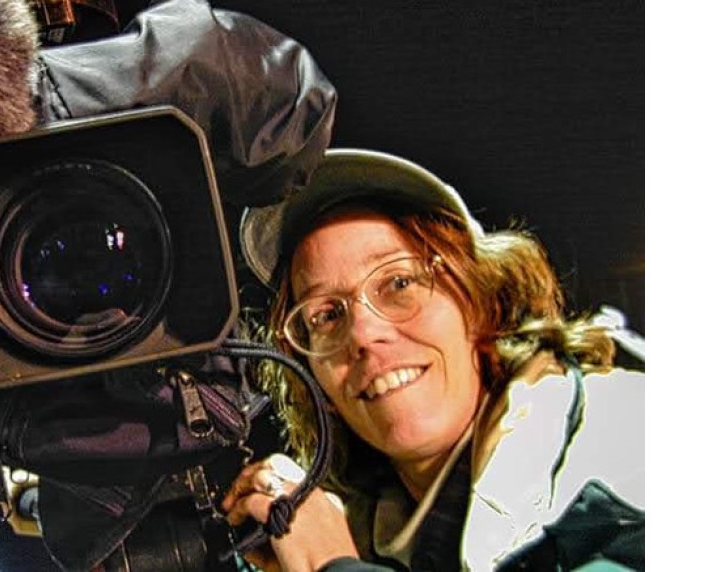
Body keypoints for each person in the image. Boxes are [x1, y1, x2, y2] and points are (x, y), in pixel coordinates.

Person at [221, 149, 644, 571]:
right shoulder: (384, 531)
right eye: (326, 315)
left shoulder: (626, 438)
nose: (362, 334)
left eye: (399, 283)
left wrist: (328, 564)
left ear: (482, 302)